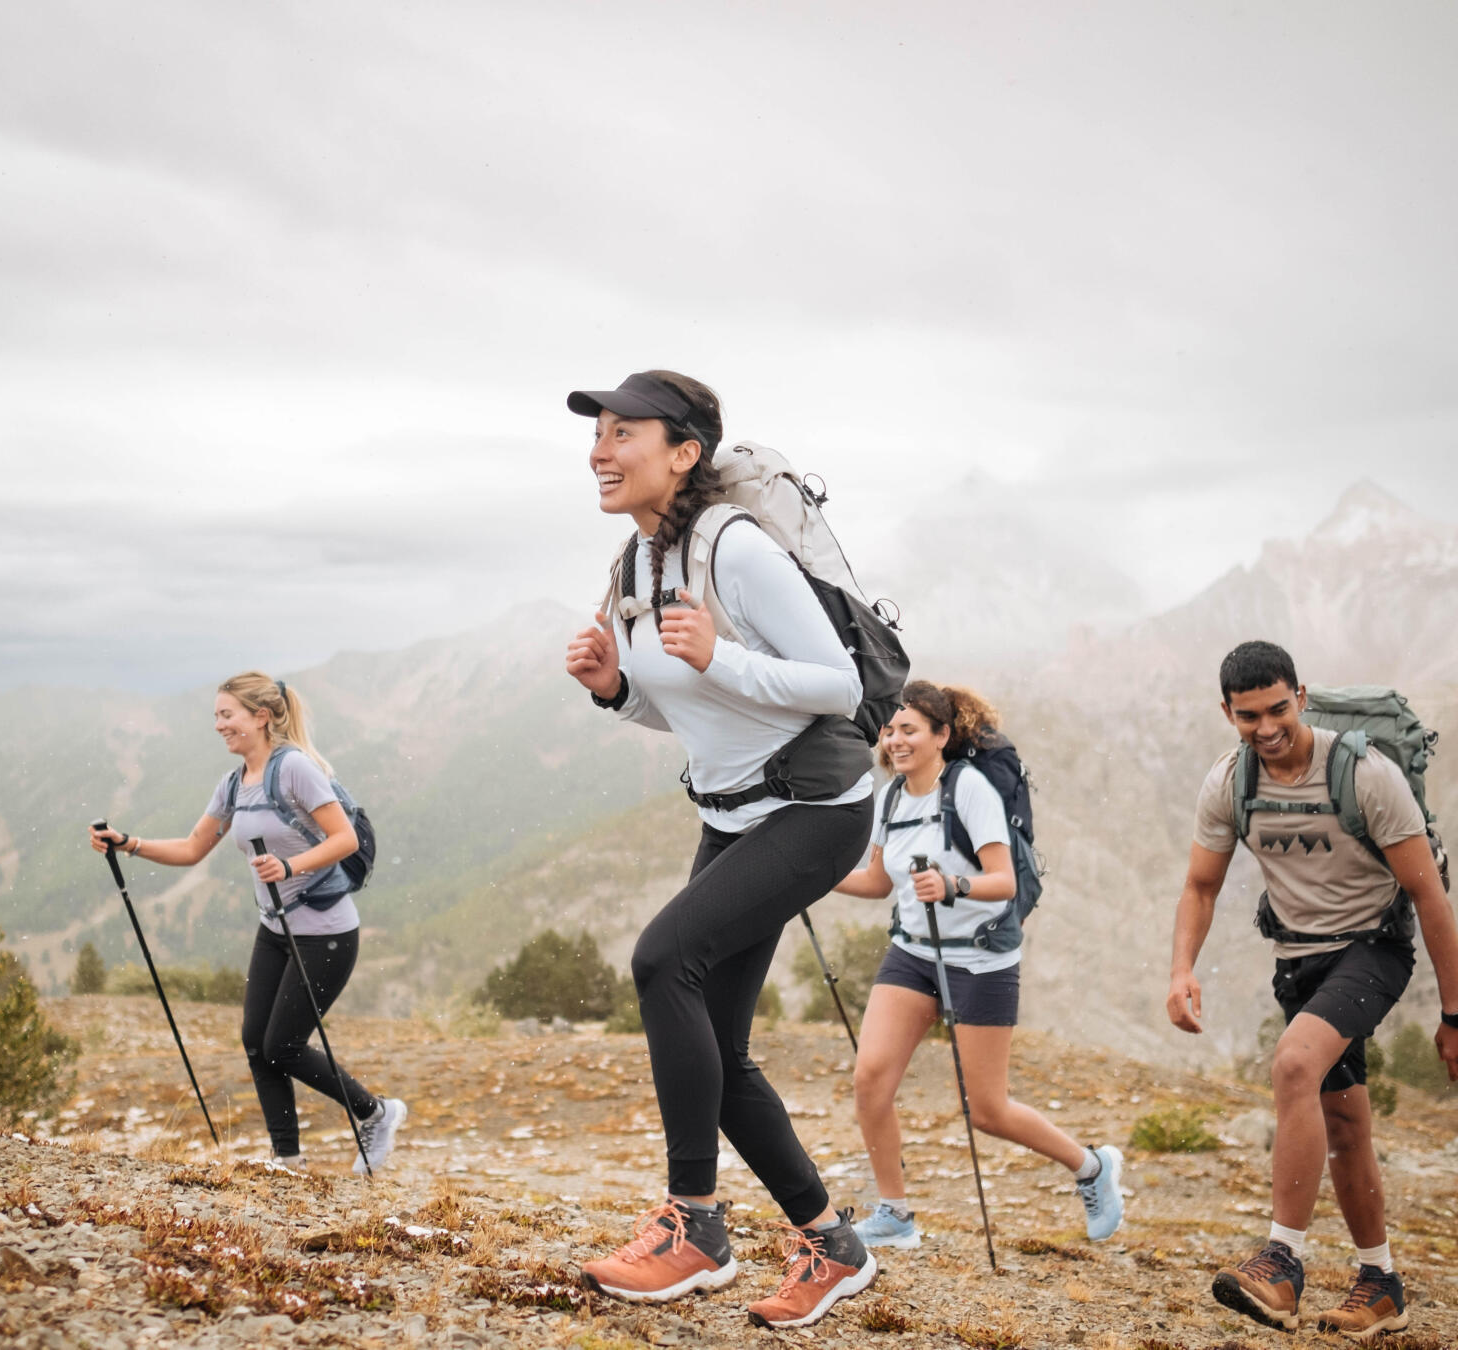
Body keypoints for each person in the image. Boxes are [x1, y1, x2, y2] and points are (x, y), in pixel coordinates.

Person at [564, 370, 879, 1330]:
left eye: (625, 433)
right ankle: (834, 1245)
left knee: (663, 961)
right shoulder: (639, 564)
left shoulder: (734, 551)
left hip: (817, 807)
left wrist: (720, 656)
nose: (600, 452)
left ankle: (695, 1226)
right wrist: (622, 689)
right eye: (598, 434)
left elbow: (834, 685)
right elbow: (693, 710)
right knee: (721, 1049)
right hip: (735, 812)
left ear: (685, 453)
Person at [1168, 640, 1458, 1338]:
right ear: (1226, 712)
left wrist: (1454, 1013)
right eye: (1247, 717)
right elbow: (1201, 886)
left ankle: (1282, 1264)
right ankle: (1381, 1283)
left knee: (1295, 1063)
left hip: (1373, 949)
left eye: (1276, 709)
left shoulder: (1364, 775)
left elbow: (1429, 896)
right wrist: (1182, 969)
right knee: (1345, 1124)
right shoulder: (1229, 782)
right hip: (1297, 960)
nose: (1265, 728)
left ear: (1300, 696)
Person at [833, 681, 1125, 1251]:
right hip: (915, 952)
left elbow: (1003, 881)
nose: (895, 740)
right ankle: (894, 1214)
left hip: (983, 960)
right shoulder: (890, 798)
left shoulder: (968, 789)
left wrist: (952, 885)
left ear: (942, 736)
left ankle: (1091, 1166)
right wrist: (808, 880)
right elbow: (876, 881)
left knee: (988, 1110)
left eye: (909, 729)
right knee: (871, 1080)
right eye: (890, 730)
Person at [87, 671, 406, 1174]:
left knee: (284, 1045)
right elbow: (194, 848)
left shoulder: (295, 768)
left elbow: (343, 839)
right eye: (216, 715)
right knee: (257, 1042)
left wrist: (289, 867)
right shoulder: (234, 784)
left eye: (227, 714)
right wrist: (129, 844)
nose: (218, 725)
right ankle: (288, 1160)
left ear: (261, 717)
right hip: (275, 929)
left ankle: (377, 1113)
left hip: (325, 934)